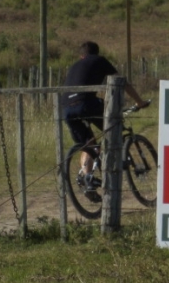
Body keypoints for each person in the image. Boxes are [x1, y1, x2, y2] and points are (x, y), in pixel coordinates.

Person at [62, 41, 148, 201]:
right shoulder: (99, 60)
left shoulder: (74, 65)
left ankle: (88, 179)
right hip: (86, 103)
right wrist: (139, 102)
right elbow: (122, 82)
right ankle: (111, 162)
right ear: (97, 53)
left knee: (89, 144)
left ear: (82, 55)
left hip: (66, 108)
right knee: (114, 126)